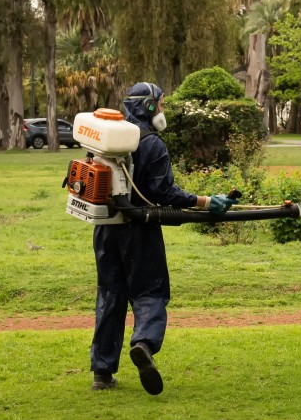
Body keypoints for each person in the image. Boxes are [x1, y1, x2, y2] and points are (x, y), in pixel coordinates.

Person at [90, 82, 236, 394]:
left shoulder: (105, 138)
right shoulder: (151, 143)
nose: (163, 111)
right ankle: (143, 343)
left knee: (110, 296)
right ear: (149, 106)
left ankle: (102, 371)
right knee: (150, 292)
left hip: (105, 229)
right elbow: (162, 192)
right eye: (162, 104)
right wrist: (207, 201)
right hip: (139, 229)